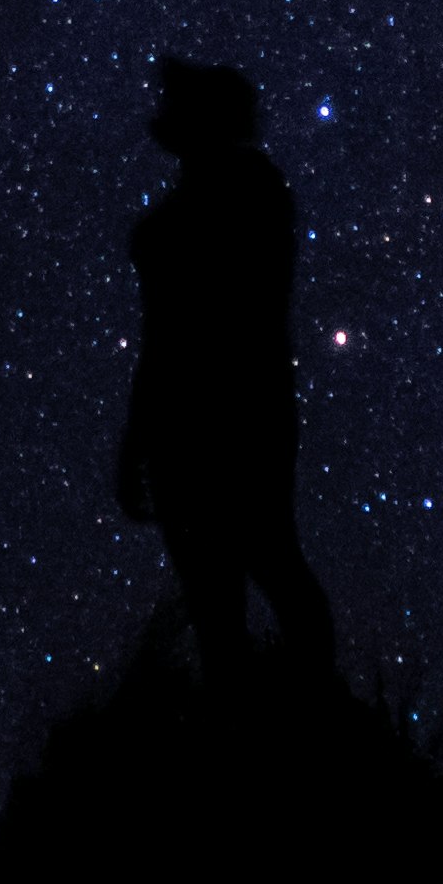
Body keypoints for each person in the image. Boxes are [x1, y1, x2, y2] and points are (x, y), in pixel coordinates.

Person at [113, 54, 338, 677]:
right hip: (226, 408)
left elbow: (175, 330)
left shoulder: (234, 198)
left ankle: (290, 719)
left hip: (223, 410)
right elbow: (165, 334)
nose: (162, 112)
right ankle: (282, 718)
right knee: (238, 575)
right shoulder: (248, 193)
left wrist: (136, 442)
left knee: (253, 565)